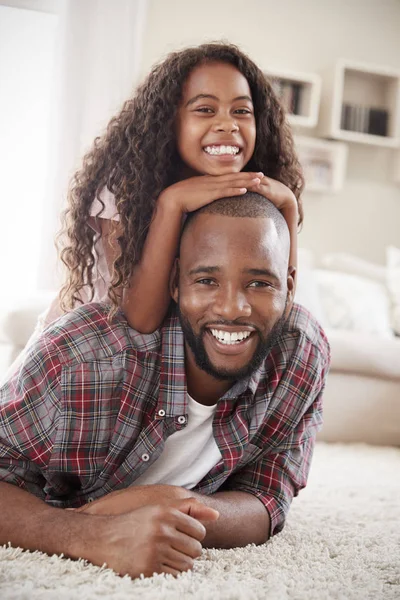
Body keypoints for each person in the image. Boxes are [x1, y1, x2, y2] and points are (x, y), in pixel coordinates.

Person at [0, 193, 330, 580]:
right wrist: (90, 534)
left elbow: (268, 497)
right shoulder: (83, 358)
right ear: (175, 283)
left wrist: (176, 503)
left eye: (259, 283)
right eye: (207, 280)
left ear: (289, 288)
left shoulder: (300, 352)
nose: (232, 308)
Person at [41, 41, 303, 335]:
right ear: (170, 121)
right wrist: (172, 203)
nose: (228, 124)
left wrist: (288, 207)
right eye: (205, 109)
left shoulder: (248, 193)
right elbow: (141, 320)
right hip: (84, 348)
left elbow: (279, 306)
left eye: (241, 111)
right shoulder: (125, 187)